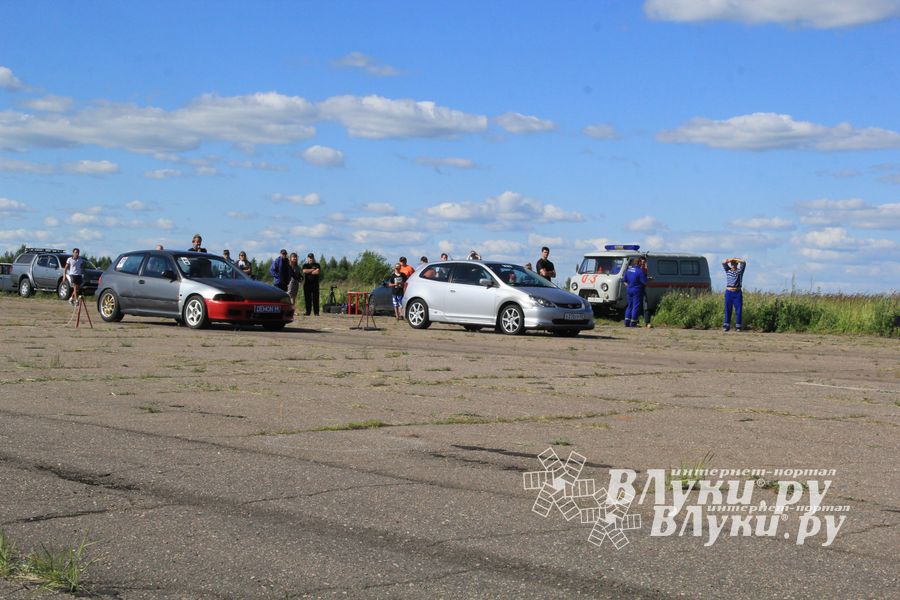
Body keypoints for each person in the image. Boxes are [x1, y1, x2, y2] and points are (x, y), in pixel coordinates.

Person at [722, 258, 747, 332]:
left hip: (737, 292)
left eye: (734, 263)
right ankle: (726, 326)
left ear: (737, 264)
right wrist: (731, 260)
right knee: (728, 309)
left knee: (738, 310)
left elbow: (744, 262)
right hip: (729, 292)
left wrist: (735, 259)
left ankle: (738, 326)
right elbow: (723, 262)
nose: (733, 265)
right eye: (732, 263)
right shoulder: (728, 270)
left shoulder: (740, 271)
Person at [623, 258, 647, 327]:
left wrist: (629, 285)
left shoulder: (628, 270)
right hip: (637, 290)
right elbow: (644, 282)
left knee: (629, 305)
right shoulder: (640, 271)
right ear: (639, 263)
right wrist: (649, 279)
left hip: (629, 289)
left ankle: (627, 322)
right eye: (641, 262)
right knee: (635, 306)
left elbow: (624, 280)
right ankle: (633, 323)